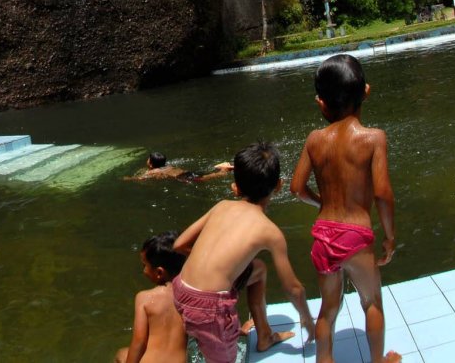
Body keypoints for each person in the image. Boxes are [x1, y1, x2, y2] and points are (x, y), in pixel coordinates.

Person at [290, 54, 400, 363]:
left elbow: (297, 189)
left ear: (321, 103)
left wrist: (323, 204)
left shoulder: (314, 140)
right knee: (372, 302)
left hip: (323, 235)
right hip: (356, 234)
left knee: (328, 309)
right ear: (366, 91)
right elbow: (382, 193)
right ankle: (379, 361)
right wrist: (389, 236)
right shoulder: (374, 139)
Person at [172, 141, 314, 363]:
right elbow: (293, 288)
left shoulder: (221, 206)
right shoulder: (270, 231)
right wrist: (308, 321)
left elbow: (179, 245)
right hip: (210, 308)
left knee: (258, 269)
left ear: (235, 186)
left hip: (180, 290)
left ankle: (264, 335)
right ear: (278, 185)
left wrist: (212, 270)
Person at [114, 231, 188, 363]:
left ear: (159, 272)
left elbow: (139, 342)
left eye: (145, 265)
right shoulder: (192, 298)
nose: (143, 271)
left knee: (121, 354)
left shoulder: (144, 298)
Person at [126, 152, 233, 183]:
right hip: (186, 172)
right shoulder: (168, 166)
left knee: (206, 178)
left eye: (148, 159)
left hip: (184, 177)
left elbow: (140, 178)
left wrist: (128, 179)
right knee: (203, 173)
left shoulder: (153, 172)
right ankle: (220, 167)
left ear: (150, 164)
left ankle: (223, 171)